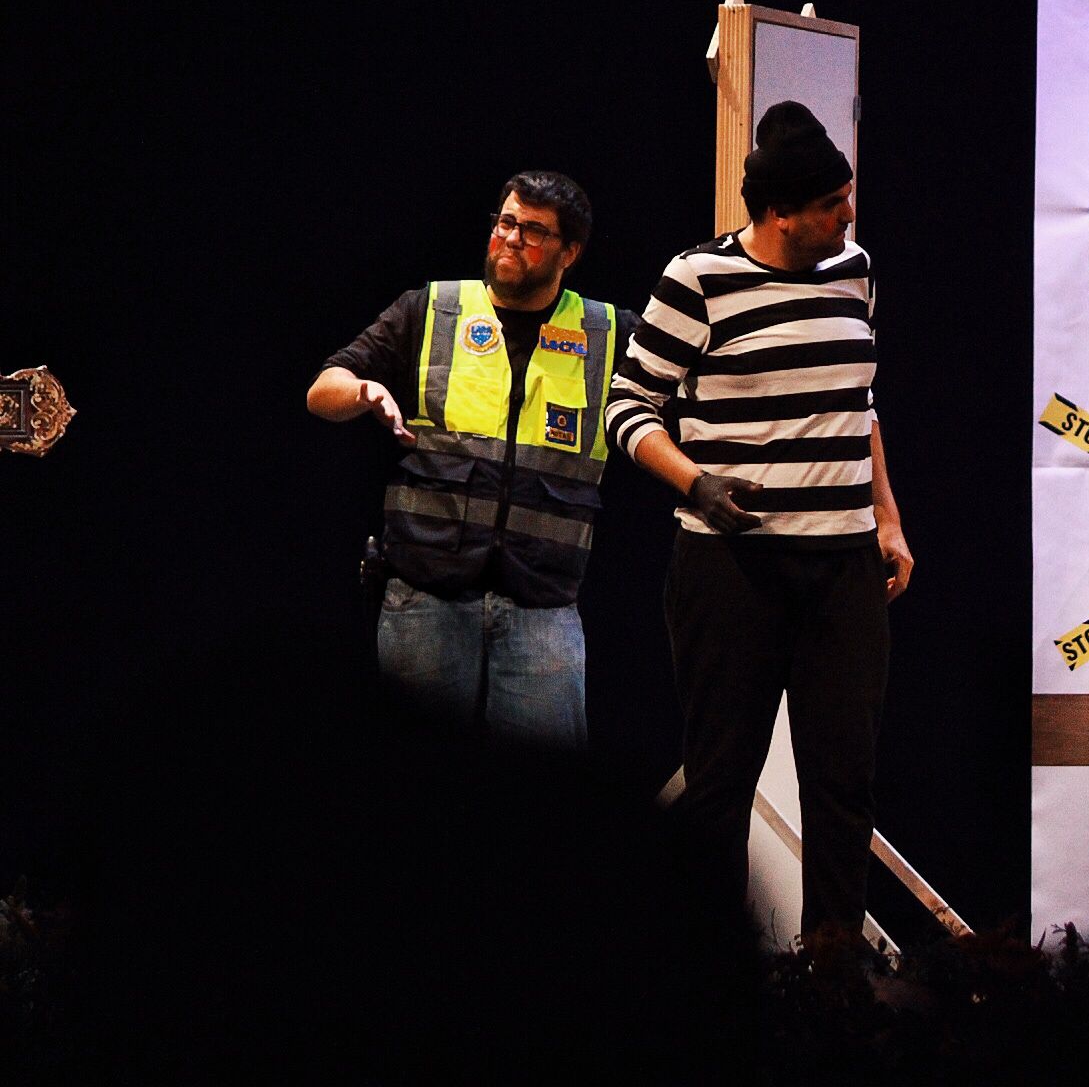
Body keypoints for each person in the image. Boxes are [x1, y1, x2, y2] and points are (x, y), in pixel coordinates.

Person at [606, 101, 912, 936]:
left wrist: (888, 519)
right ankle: (714, 986)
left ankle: (835, 982)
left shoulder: (857, 269)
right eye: (831, 205)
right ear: (779, 213)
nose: (848, 215)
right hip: (732, 570)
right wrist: (693, 483)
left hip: (843, 567)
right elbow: (627, 407)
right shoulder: (698, 279)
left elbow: (861, 403)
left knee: (843, 786)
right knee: (721, 784)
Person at [307, 171, 636, 748]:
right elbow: (323, 389)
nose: (511, 239)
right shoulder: (434, 307)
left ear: (571, 252)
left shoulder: (608, 333)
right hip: (425, 596)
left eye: (533, 231)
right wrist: (362, 392)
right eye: (506, 222)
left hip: (544, 607)